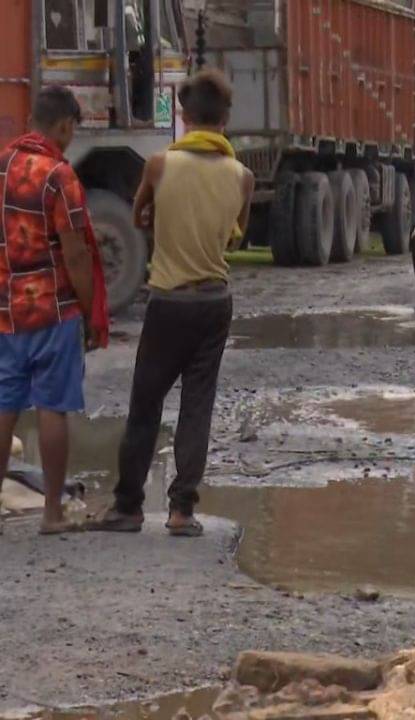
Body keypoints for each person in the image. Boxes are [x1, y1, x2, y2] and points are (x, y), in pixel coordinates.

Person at [88, 70, 252, 537]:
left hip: (168, 302)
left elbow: (140, 213)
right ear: (225, 119)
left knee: (146, 403)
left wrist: (160, 218)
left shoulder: (160, 166)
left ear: (183, 115)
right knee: (197, 405)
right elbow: (235, 240)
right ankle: (182, 510)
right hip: (216, 302)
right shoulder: (242, 176)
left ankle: (129, 506)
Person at [0, 86, 109, 534]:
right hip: (53, 309)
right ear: (64, 126)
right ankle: (50, 514)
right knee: (51, 407)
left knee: (4, 406)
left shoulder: (2, 165)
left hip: (5, 310)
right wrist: (88, 310)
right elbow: (77, 254)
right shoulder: (59, 176)